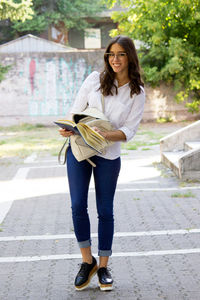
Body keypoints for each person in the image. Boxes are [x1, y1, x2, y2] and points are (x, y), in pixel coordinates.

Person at [59, 35, 145, 291]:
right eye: (111, 54)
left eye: (120, 54)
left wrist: (105, 135)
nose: (115, 59)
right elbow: (75, 110)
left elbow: (130, 130)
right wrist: (69, 127)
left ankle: (104, 266)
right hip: (80, 150)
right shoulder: (94, 79)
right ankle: (88, 262)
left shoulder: (136, 91)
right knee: (77, 205)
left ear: (130, 57)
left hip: (109, 155)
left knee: (105, 211)